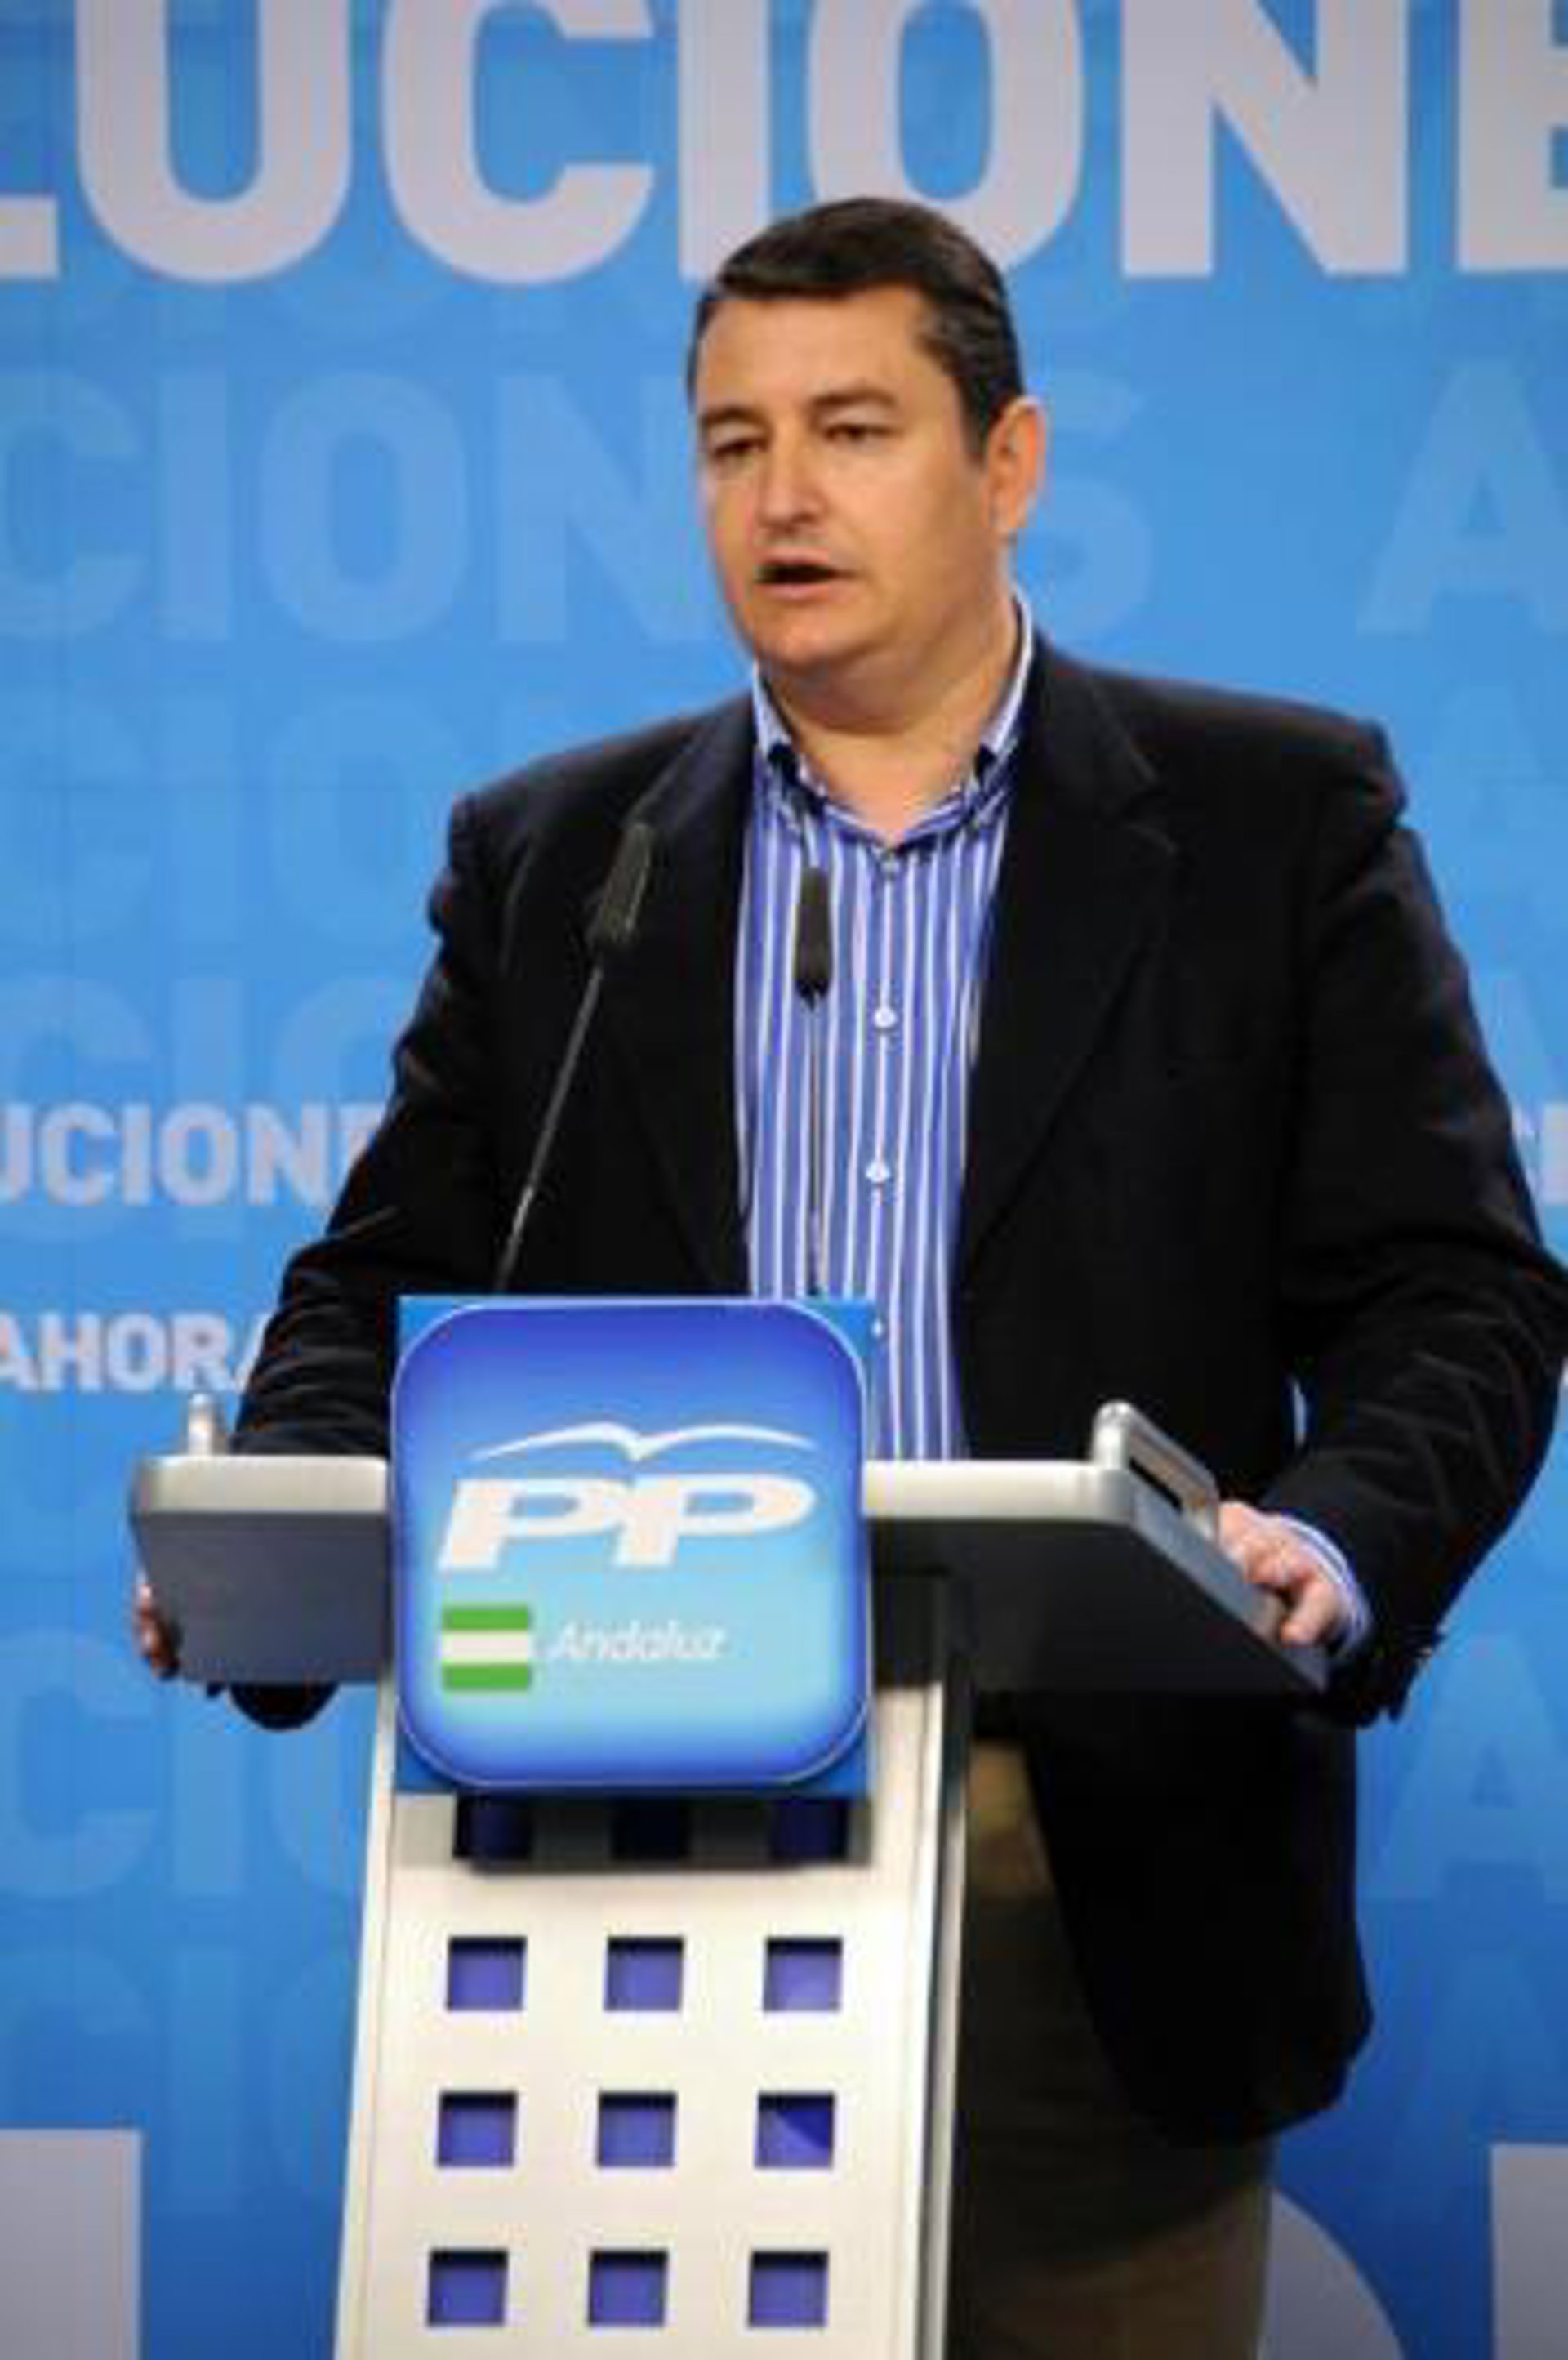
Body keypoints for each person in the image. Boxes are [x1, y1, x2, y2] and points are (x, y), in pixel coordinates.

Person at [136, 199, 1568, 2353]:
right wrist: (280, 1536)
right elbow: (380, 1283)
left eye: (852, 428)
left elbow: (1458, 1292)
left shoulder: (1275, 821)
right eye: (732, 442)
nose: (783, 495)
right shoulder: (562, 858)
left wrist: (1334, 1539)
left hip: (1096, 1860)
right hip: (633, 1840)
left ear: (1009, 462)